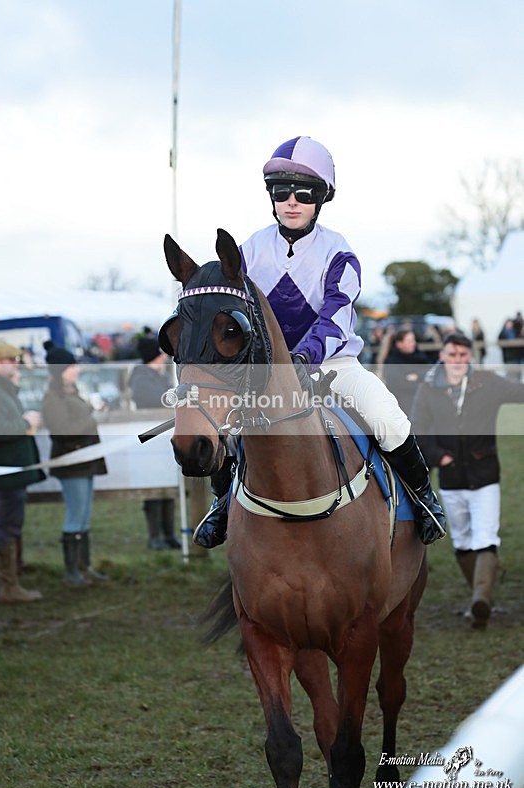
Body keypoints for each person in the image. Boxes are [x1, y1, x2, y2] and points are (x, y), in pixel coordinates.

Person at [193, 135, 445, 549]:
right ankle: (223, 504)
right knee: (225, 422)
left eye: (304, 194)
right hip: (267, 370)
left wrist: (303, 357)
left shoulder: (339, 252)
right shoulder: (249, 250)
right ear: (271, 197)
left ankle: (423, 499)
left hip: (332, 364)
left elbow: (336, 318)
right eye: (281, 192)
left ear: (321, 198)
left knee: (387, 416)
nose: (292, 202)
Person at [410, 331, 524, 629]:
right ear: (443, 356)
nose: (458, 360)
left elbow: (519, 392)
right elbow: (418, 428)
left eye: (463, 355)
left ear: (470, 356)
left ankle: (480, 602)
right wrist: (438, 456)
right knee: (461, 539)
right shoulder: (428, 389)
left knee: (486, 536)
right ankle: (481, 598)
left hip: (485, 474)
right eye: (452, 355)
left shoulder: (488, 382)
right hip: (451, 479)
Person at [41, 341, 108, 587]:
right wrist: (93, 417)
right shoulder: (52, 398)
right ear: (60, 371)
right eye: (71, 366)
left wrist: (91, 411)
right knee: (75, 516)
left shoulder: (70, 393)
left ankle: (83, 567)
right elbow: (62, 431)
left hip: (83, 461)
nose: (76, 369)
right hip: (72, 464)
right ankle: (72, 572)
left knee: (83, 516)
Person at [0, 341, 45, 603]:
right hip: (5, 472)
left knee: (5, 525)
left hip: (6, 471)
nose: (15, 364)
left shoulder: (0, 389)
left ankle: (7, 582)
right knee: (7, 526)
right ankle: (8, 587)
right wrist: (25, 422)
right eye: (10, 360)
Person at [129, 336, 180, 550]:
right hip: (151, 438)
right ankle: (155, 536)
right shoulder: (141, 378)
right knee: (154, 489)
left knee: (168, 486)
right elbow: (152, 399)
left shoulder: (158, 376)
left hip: (163, 436)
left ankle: (168, 534)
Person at [381, 328, 430, 417]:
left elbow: (431, 374)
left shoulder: (420, 357)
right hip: (404, 405)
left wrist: (418, 376)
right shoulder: (392, 361)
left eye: (413, 340)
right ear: (399, 344)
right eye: (409, 341)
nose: (413, 343)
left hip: (424, 403)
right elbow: (399, 384)